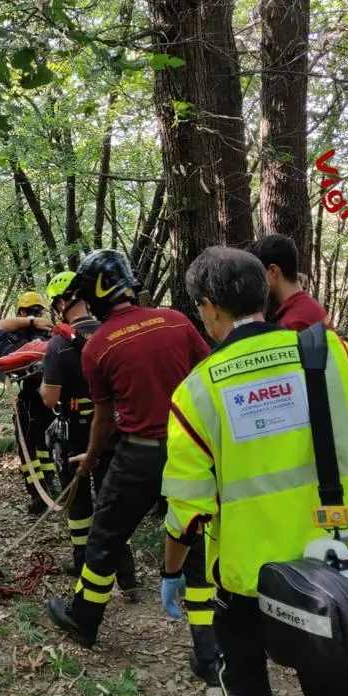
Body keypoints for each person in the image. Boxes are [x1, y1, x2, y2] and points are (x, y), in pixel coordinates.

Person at [160, 247, 348, 696]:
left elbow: (188, 510)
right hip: (336, 566)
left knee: (245, 683)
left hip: (244, 577)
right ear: (263, 292)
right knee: (337, 695)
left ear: (209, 306)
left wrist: (172, 572)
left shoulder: (198, 390)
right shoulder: (331, 353)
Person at [45, 249, 210, 647]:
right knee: (196, 539)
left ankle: (84, 620)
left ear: (95, 294)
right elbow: (207, 380)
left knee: (106, 537)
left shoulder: (96, 346)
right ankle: (208, 646)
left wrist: (91, 459)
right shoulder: (176, 319)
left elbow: (103, 417)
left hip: (138, 455)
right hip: (187, 452)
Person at [40, 271, 135, 590]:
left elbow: (49, 397)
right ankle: (126, 572)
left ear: (64, 302)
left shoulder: (57, 345)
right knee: (112, 498)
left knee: (78, 499)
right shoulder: (112, 332)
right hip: (114, 427)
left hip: (77, 430)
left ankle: (82, 561)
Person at [0, 291, 56, 514]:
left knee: (28, 448)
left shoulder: (16, 338)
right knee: (44, 444)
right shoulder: (53, 336)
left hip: (32, 400)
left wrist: (27, 322)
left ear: (21, 313)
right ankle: (49, 484)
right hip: (54, 399)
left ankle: (38, 495)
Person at [250, 234, 329, 331]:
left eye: (258, 273)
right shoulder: (307, 307)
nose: (255, 280)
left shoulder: (295, 321)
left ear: (273, 271)